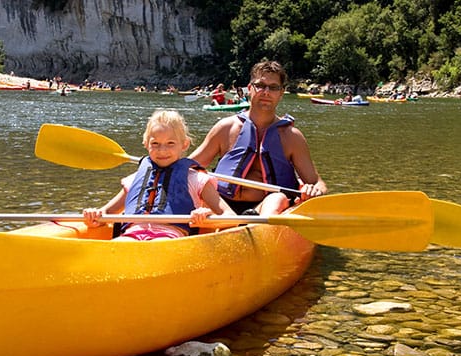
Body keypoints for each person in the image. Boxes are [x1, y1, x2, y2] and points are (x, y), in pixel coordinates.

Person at [188, 60, 327, 216]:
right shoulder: (226, 128)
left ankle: (260, 230)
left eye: (273, 87)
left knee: (276, 199)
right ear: (249, 89)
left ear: (281, 93)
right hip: (223, 207)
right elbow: (188, 167)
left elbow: (317, 182)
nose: (266, 92)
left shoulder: (292, 137)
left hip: (268, 208)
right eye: (260, 86)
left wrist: (314, 190)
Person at [83, 109, 236, 240]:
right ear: (146, 143)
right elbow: (106, 213)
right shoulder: (135, 179)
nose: (162, 150)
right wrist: (94, 215)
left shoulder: (197, 180)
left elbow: (231, 217)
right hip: (131, 237)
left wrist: (206, 217)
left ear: (184, 144)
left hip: (169, 239)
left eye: (170, 143)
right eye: (155, 144)